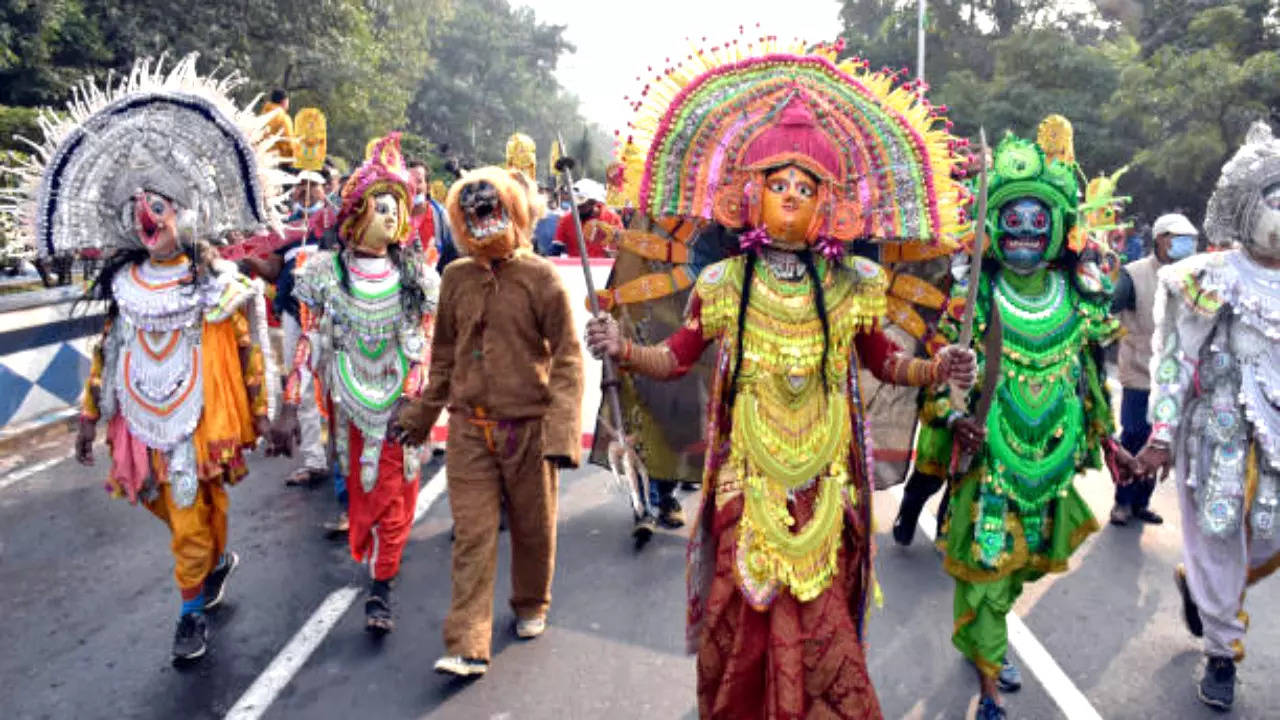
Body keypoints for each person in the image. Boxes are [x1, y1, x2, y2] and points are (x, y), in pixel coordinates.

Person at [586, 41, 974, 719]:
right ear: (750, 194)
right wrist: (620, 346)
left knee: (824, 624)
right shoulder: (723, 281)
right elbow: (677, 356)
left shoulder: (854, 283)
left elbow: (884, 361)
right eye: (778, 185)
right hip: (750, 481)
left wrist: (937, 366)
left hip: (828, 484)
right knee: (744, 617)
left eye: (805, 188)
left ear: (827, 203)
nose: (790, 199)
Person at [7, 54, 283, 661]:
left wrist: (267, 411)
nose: (146, 217)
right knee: (178, 505)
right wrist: (88, 415)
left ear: (183, 215)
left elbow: (249, 347)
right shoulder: (127, 284)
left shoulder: (216, 282)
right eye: (139, 208)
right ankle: (210, 567)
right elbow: (108, 351)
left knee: (194, 504)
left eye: (157, 207)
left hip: (202, 414)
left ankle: (189, 614)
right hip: (140, 415)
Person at [916, 117, 1136, 720]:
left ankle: (992, 639)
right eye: (1012, 221)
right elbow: (940, 377)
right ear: (993, 226)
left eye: (1039, 222)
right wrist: (952, 411)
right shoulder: (974, 298)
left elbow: (1089, 377)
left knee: (1016, 573)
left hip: (1051, 464)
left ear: (1058, 229)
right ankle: (989, 677)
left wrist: (1108, 440)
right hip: (989, 462)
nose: (1024, 234)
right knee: (987, 568)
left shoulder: (1075, 297)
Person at [396, 166, 584, 678]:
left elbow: (568, 356)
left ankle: (530, 601)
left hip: (528, 426)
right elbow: (443, 357)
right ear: (460, 217)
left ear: (513, 211)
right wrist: (420, 415)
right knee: (473, 536)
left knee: (532, 528)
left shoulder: (541, 278)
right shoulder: (455, 278)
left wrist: (563, 432)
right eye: (472, 210)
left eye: (491, 206)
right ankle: (467, 643)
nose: (482, 216)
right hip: (468, 427)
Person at [1136, 121, 1280, 712]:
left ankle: (1199, 587)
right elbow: (1174, 358)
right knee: (1219, 533)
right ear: (1248, 208)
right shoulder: (1206, 276)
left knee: (1267, 535)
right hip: (1216, 430)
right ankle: (1222, 654)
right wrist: (1162, 433)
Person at [270, 133, 440, 635]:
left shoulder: (417, 279)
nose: (391, 217)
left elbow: (422, 346)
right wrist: (288, 404)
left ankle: (380, 590)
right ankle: (380, 561)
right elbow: (307, 343)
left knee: (393, 500)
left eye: (397, 208)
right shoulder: (324, 274)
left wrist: (411, 400)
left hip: (397, 410)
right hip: (348, 407)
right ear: (355, 213)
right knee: (365, 502)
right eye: (380, 206)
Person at [239, 169, 334, 488]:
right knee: (301, 385)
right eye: (300, 186)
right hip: (295, 315)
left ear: (324, 189)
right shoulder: (286, 229)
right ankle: (313, 459)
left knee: (337, 387)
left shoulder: (335, 221)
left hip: (333, 316)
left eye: (312, 186)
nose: (306, 192)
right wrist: (248, 258)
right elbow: (273, 271)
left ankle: (344, 456)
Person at [1108, 212, 1199, 527]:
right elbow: (1110, 309)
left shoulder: (1194, 275)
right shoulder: (1134, 274)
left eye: (1190, 239)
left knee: (1160, 442)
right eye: (1178, 237)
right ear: (1160, 238)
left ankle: (1141, 503)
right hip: (1139, 370)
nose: (1187, 244)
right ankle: (1122, 502)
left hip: (1174, 375)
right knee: (1134, 436)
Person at [406, 157, 458, 271]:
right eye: (408, 182)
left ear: (428, 187)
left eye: (418, 181)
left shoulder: (441, 217)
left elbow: (454, 258)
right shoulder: (394, 219)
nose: (413, 187)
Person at [555, 178, 621, 257]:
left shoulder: (613, 220)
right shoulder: (565, 220)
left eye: (582, 206)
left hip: (604, 268)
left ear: (593, 202)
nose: (577, 208)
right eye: (576, 205)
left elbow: (621, 249)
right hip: (575, 268)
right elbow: (556, 250)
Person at [260, 88, 298, 165]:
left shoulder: (264, 114)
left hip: (260, 157)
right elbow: (289, 143)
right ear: (284, 101)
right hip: (277, 162)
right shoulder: (283, 118)